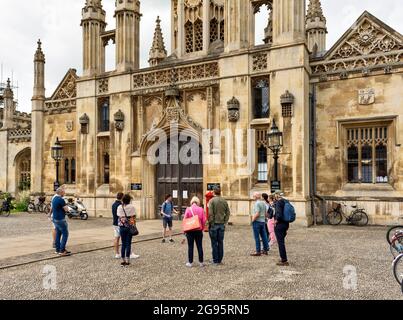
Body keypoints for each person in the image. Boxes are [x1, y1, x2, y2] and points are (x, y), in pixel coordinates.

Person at [208, 187, 230, 265]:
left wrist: (211, 223)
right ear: (220, 192)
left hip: (214, 224)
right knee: (220, 242)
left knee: (214, 243)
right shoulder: (224, 201)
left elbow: (211, 213)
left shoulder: (212, 201)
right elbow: (228, 212)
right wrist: (225, 221)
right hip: (221, 224)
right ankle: (219, 259)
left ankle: (215, 260)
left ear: (214, 192)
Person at [183, 197, 207, 268]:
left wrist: (184, 231)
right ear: (198, 202)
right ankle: (201, 262)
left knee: (190, 247)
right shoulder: (201, 209)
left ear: (191, 202)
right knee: (199, 246)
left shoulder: (188, 209)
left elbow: (185, 221)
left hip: (190, 231)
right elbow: (204, 220)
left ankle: (190, 262)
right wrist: (202, 228)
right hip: (198, 230)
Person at [117, 194, 137, 267]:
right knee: (128, 243)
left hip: (122, 227)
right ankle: (128, 260)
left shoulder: (119, 207)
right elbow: (134, 217)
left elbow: (118, 215)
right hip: (129, 227)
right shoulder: (132, 207)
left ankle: (123, 260)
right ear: (129, 200)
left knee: (123, 243)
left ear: (122, 200)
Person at [51, 187, 71, 256]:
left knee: (58, 234)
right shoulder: (61, 199)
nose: (64, 193)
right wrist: (68, 208)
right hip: (60, 219)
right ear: (61, 192)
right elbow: (66, 209)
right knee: (65, 234)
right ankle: (62, 250)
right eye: (63, 192)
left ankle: (57, 249)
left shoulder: (54, 198)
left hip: (55, 219)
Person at [250, 192, 270, 256]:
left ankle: (258, 251)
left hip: (257, 222)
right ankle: (265, 250)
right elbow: (266, 213)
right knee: (264, 236)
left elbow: (257, 213)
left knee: (256, 237)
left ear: (256, 197)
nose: (253, 197)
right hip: (263, 222)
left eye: (254, 196)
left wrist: (252, 220)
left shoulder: (257, 203)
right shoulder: (263, 203)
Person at [273, 191, 290, 266]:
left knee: (280, 243)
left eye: (275, 195)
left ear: (277, 195)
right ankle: (283, 258)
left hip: (280, 225)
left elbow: (279, 214)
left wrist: (276, 221)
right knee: (281, 242)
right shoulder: (286, 201)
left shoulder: (279, 202)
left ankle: (284, 260)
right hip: (286, 224)